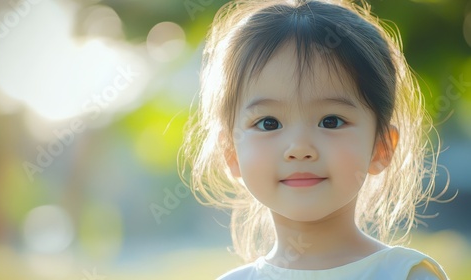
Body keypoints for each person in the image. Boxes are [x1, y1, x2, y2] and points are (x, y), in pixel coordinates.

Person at [180, 0, 448, 279]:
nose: (299, 148)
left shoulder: (405, 275)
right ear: (231, 152)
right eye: (268, 123)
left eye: (330, 121)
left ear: (381, 146)